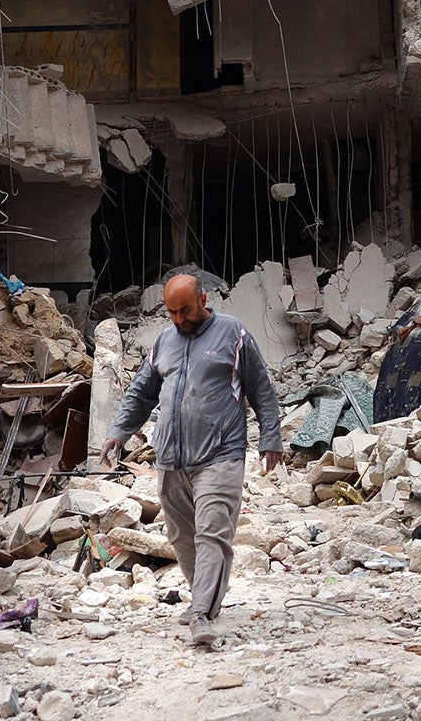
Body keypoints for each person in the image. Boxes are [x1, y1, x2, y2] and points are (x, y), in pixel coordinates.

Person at [99, 273, 282, 648]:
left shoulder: (233, 334)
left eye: (185, 310)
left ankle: (201, 611)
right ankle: (205, 595)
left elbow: (261, 388)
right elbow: (141, 392)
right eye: (172, 313)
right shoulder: (164, 342)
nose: (179, 319)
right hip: (171, 457)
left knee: (213, 533)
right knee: (182, 538)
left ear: (203, 299)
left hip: (221, 454)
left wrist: (271, 437)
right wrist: (117, 431)